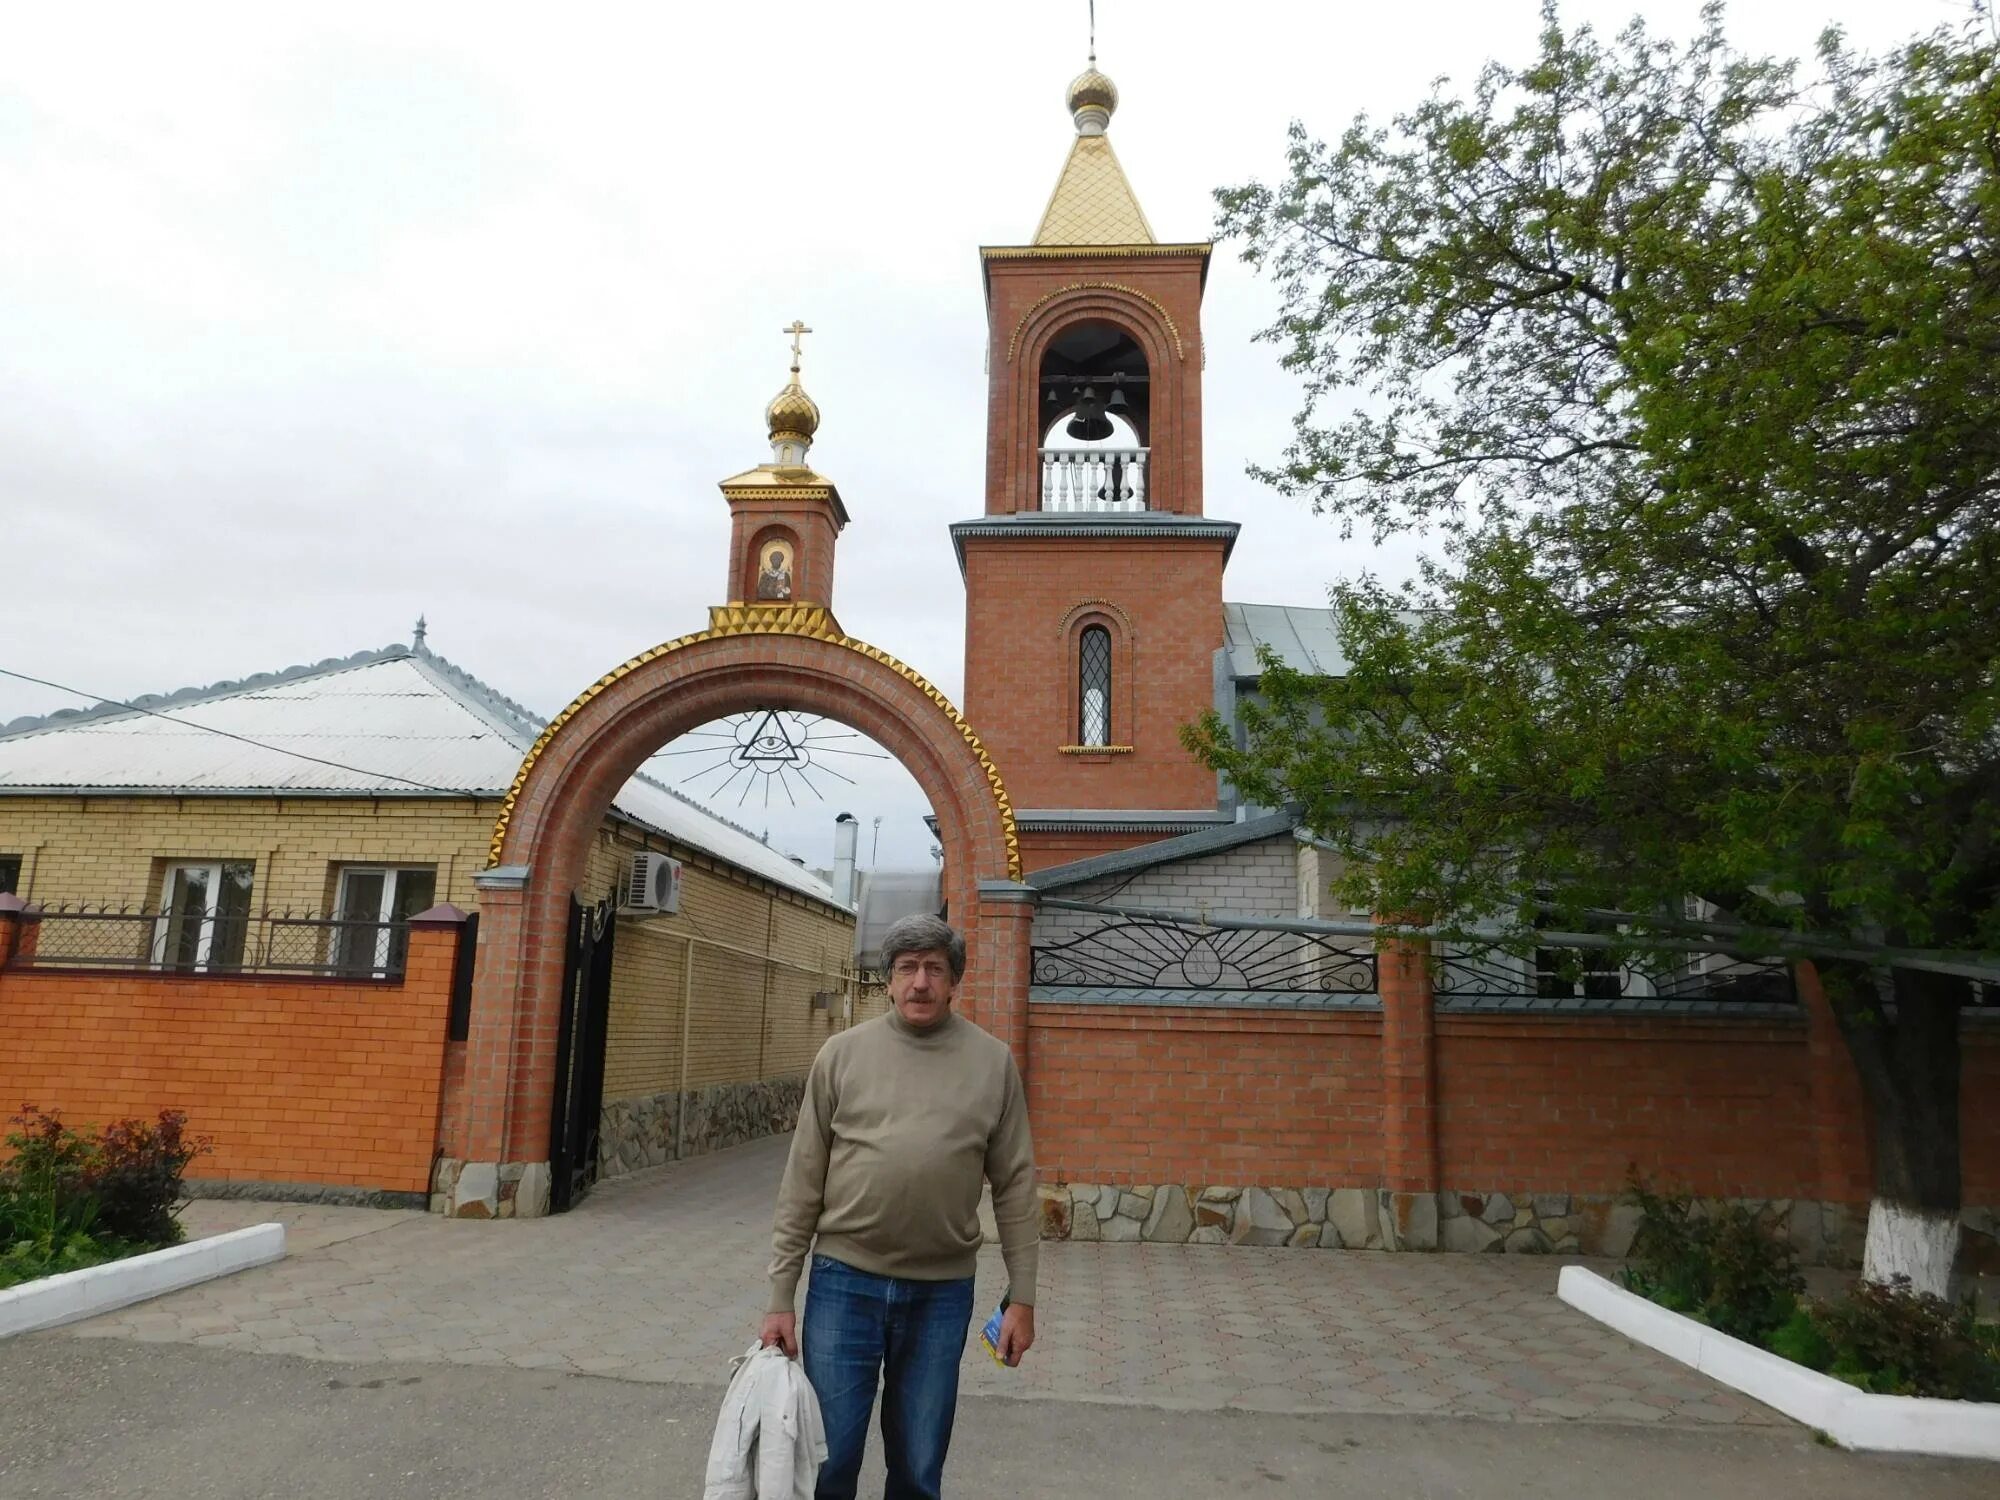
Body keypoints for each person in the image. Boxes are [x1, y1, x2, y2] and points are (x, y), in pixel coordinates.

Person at [761, 912, 1039, 1500]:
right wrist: (780, 1298)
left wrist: (1023, 1298)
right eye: (907, 968)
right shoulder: (840, 1056)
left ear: (953, 981)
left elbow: (1014, 1184)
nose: (920, 982)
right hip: (843, 1286)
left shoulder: (992, 1064)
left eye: (934, 969)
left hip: (941, 1295)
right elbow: (802, 1181)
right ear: (886, 979)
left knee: (918, 1468)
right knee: (826, 1463)